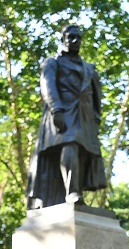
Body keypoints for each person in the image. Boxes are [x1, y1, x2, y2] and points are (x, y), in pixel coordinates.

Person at [26, 23, 107, 210]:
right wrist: (56, 110)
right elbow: (48, 87)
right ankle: (72, 192)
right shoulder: (52, 63)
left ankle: (76, 192)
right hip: (63, 111)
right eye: (71, 37)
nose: (75, 40)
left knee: (82, 152)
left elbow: (96, 97)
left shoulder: (89, 68)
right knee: (70, 145)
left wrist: (96, 119)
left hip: (85, 117)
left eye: (78, 37)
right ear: (63, 39)